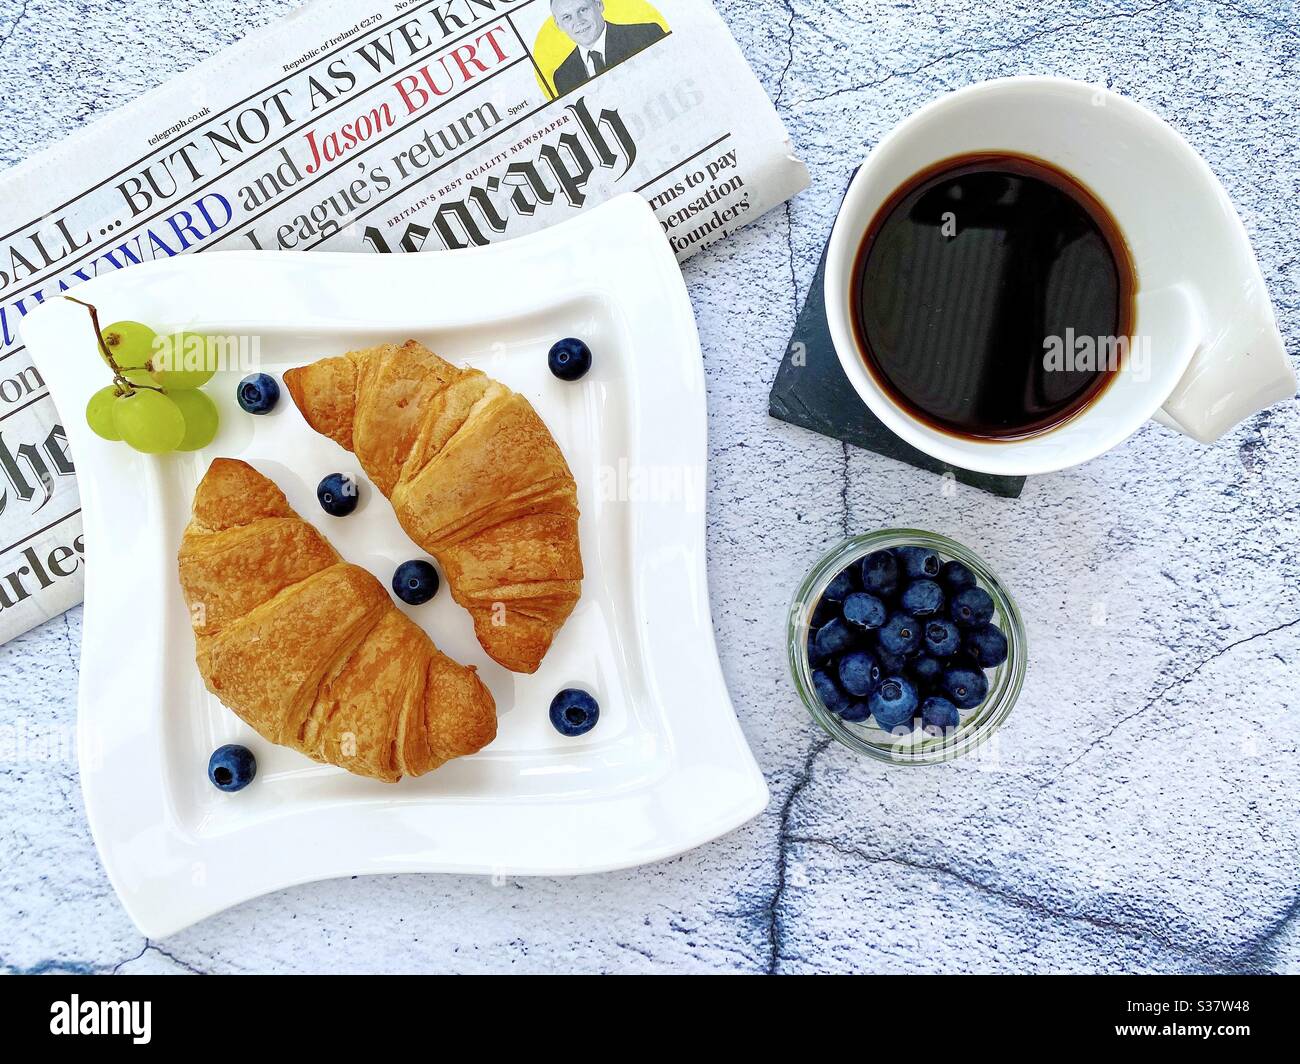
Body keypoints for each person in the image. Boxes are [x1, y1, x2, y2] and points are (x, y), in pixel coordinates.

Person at [550, 0, 666, 95]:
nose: (578, 21)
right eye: (567, 17)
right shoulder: (562, 76)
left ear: (599, 5)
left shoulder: (647, 35)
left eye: (583, 10)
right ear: (558, 24)